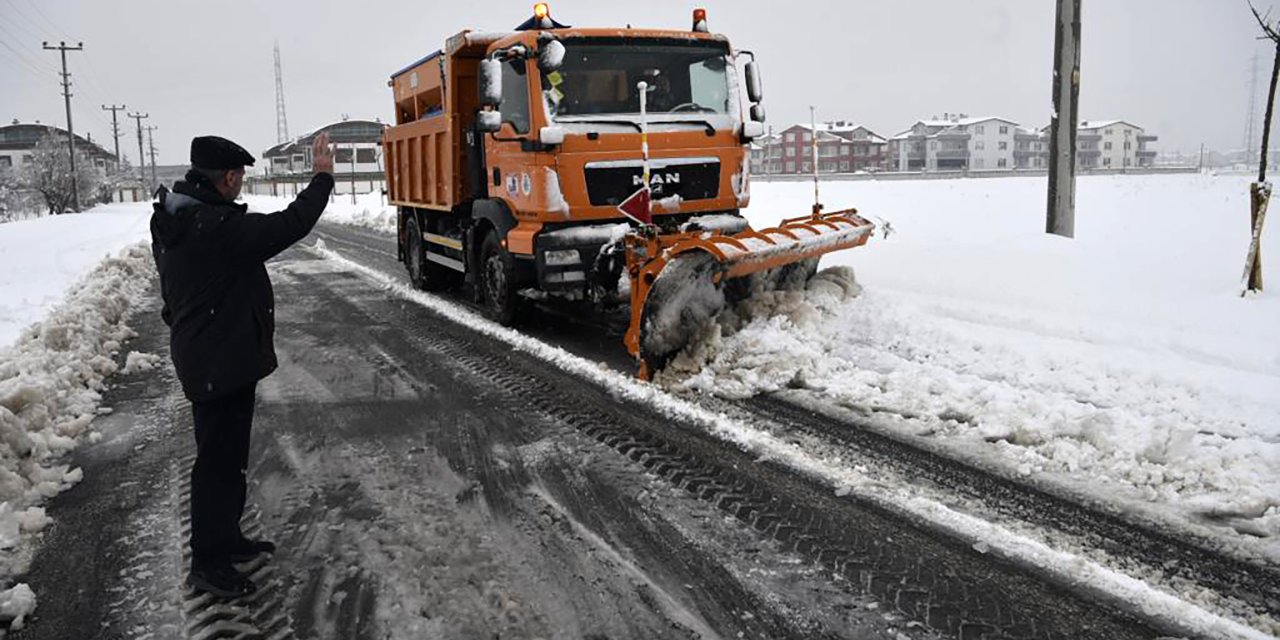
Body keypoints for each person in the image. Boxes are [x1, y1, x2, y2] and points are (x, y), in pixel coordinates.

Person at [150, 133, 334, 597]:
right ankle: (208, 562)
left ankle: (226, 537)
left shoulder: (176, 216)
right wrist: (323, 177)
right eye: (240, 178)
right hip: (218, 361)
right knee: (216, 463)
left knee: (228, 459)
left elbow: (173, 292)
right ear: (228, 178)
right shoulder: (216, 228)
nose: (242, 186)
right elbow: (291, 223)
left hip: (213, 354)